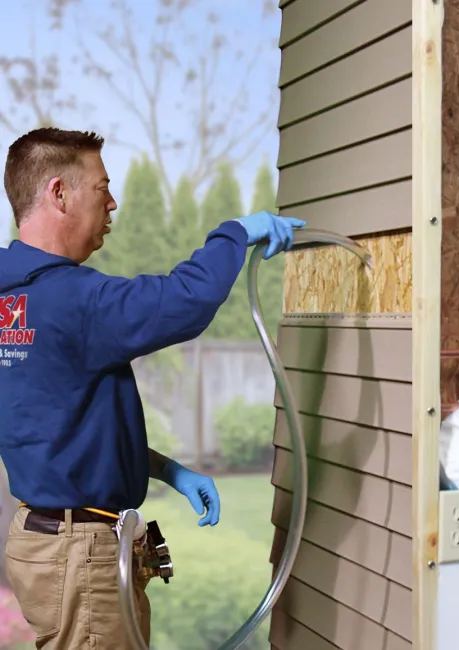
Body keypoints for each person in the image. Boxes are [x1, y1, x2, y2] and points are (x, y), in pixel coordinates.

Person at [0, 127, 305, 649]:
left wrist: (166, 470)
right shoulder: (73, 300)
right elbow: (182, 300)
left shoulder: (14, 300)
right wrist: (234, 233)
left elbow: (60, 427)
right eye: (102, 188)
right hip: (80, 553)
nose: (113, 202)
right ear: (58, 193)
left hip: (42, 540)